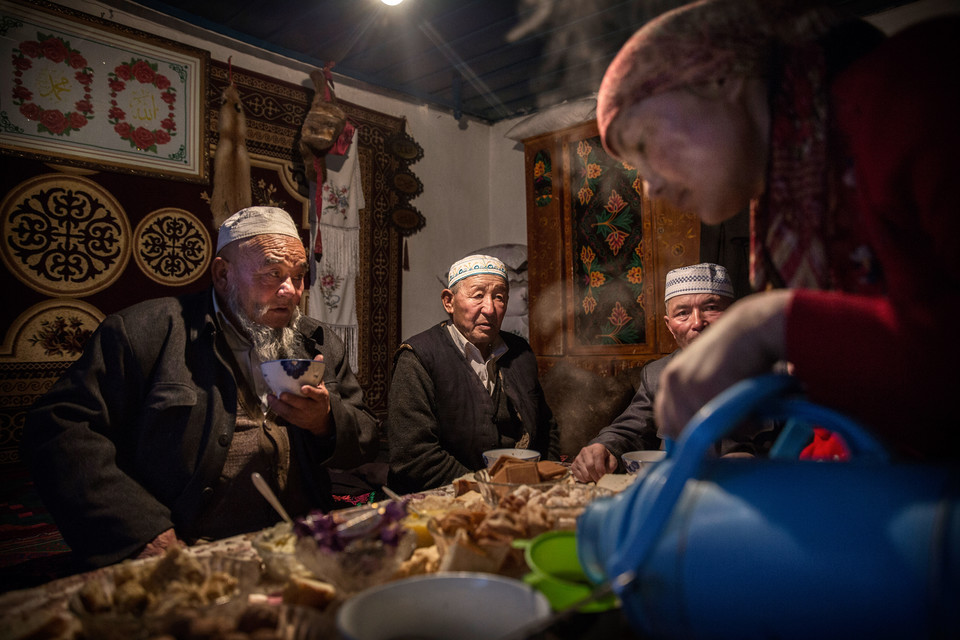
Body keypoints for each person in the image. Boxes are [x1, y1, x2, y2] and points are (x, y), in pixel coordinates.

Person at [596, 0, 959, 459]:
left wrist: (774, 321)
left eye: (645, 143)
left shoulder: (918, 87)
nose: (648, 188)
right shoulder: (797, 204)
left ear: (720, 80)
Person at [21, 206, 379, 570]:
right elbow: (60, 429)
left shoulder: (317, 342)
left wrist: (326, 421)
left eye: (299, 276)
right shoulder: (146, 333)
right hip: (195, 550)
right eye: (273, 274)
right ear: (223, 275)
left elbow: (366, 439)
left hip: (303, 543)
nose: (291, 291)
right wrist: (142, 531)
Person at [387, 254, 560, 492]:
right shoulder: (418, 357)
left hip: (519, 492)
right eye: (478, 295)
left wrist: (547, 479)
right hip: (444, 498)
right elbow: (413, 456)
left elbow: (545, 427)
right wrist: (486, 489)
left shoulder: (519, 353)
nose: (489, 308)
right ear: (449, 302)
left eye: (499, 297)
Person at [571, 263, 750, 483]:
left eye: (711, 307)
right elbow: (630, 430)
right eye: (682, 313)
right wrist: (603, 448)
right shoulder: (658, 374)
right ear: (670, 326)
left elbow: (798, 442)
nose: (697, 322)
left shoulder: (771, 371)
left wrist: (761, 461)